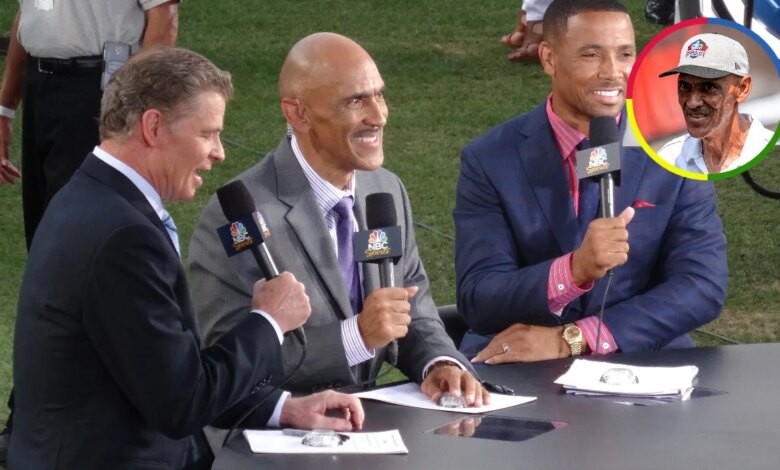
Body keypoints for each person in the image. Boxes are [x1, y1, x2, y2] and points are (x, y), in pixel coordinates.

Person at [9, 47, 363, 469]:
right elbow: (181, 402)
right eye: (207, 134)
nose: (219, 153)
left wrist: (283, 409)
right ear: (154, 127)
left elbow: (158, 372)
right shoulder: (123, 236)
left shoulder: (87, 197)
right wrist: (269, 321)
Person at [189, 33, 488, 408]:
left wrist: (439, 362)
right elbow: (227, 362)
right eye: (355, 100)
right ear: (298, 114)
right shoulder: (238, 216)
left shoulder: (385, 189)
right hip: (277, 429)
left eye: (379, 95)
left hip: (371, 424)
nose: (379, 116)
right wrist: (356, 336)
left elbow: (410, 305)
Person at [454, 0, 728, 365]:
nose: (613, 73)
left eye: (625, 54)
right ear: (549, 58)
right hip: (520, 364)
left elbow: (702, 285)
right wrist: (573, 271)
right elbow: (479, 298)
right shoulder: (490, 159)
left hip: (642, 361)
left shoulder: (677, 149)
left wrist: (576, 338)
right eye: (591, 55)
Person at [1, 4, 179, 456]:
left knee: (78, 262)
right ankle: (36, 415)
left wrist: (128, 110)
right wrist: (6, 104)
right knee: (46, 255)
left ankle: (51, 420)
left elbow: (163, 20)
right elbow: (27, 15)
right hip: (42, 88)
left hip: (100, 92)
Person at [657, 33, 775, 174]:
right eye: (684, 86)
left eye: (708, 87)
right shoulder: (670, 159)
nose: (692, 102)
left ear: (743, 89)